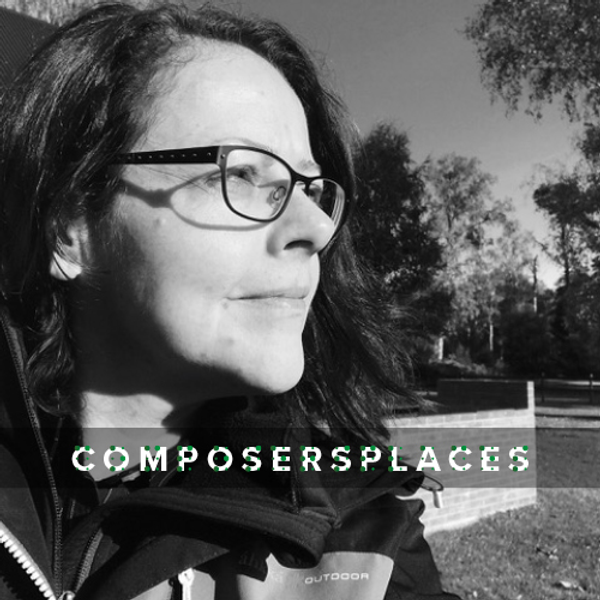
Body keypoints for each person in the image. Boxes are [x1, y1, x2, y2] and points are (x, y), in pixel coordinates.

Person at [0, 3, 460, 599]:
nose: (318, 228)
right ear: (71, 228)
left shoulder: (362, 532)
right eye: (241, 174)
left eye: (310, 189)